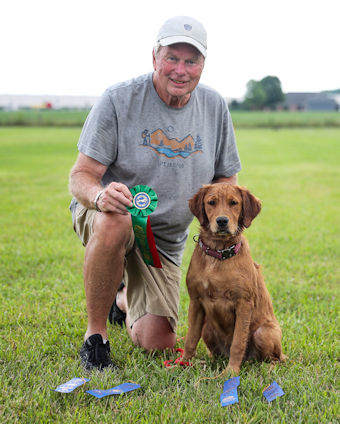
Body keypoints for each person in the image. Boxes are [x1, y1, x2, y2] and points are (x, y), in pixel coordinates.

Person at [69, 15, 241, 370]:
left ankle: (122, 301)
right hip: (110, 215)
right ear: (154, 58)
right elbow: (81, 176)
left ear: (203, 65)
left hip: (163, 241)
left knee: (157, 341)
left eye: (191, 60)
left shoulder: (214, 106)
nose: (181, 70)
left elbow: (228, 179)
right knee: (115, 222)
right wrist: (100, 197)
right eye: (172, 58)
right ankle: (95, 339)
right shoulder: (118, 99)